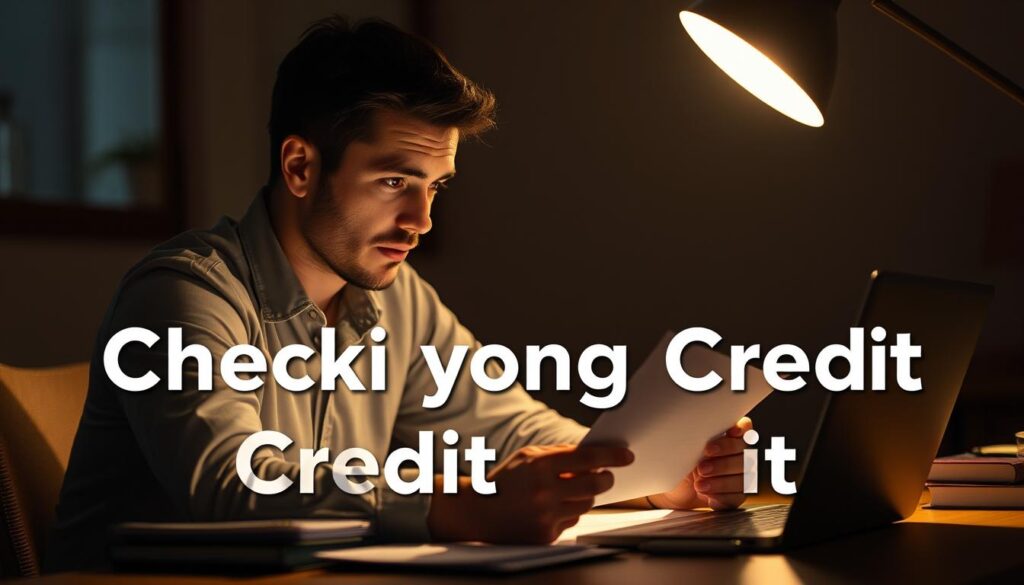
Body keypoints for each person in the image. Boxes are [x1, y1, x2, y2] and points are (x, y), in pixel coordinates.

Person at [47, 17, 753, 571]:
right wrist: (451, 505)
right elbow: (235, 488)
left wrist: (656, 475)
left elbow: (514, 430)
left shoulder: (397, 300)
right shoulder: (182, 295)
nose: (421, 221)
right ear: (300, 166)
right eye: (395, 181)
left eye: (435, 186)